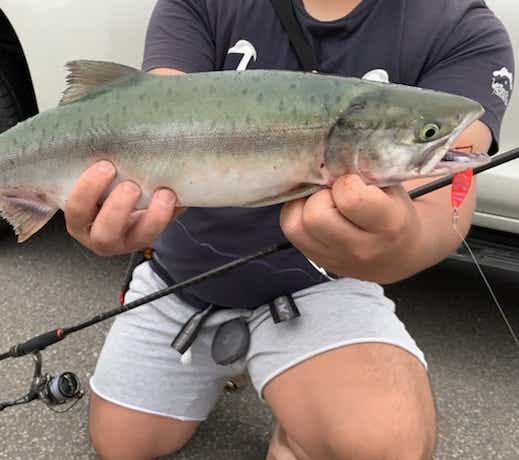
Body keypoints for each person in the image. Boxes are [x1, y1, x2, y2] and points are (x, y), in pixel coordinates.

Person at [63, 0, 514, 458]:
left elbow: (444, 196)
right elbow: (159, 103)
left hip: (320, 286)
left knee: (383, 445)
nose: (435, 137)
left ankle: (301, 411)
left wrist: (403, 242)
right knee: (122, 446)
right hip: (179, 278)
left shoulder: (463, 30)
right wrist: (118, 203)